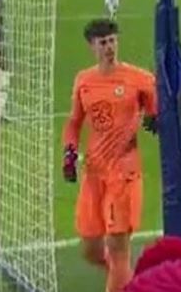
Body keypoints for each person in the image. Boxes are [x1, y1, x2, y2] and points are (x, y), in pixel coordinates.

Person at [62, 19, 157, 292]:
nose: (109, 47)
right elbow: (74, 122)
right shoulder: (84, 80)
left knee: (118, 249)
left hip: (124, 173)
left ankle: (121, 277)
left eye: (113, 41)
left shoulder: (139, 78)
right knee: (91, 250)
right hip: (94, 173)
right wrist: (69, 152)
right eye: (103, 42)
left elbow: (159, 110)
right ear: (92, 46)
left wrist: (155, 116)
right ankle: (129, 279)